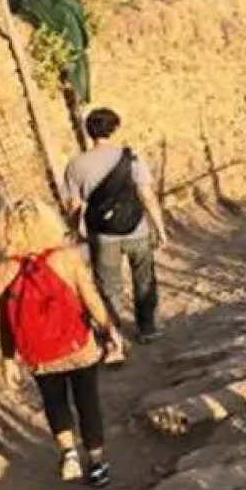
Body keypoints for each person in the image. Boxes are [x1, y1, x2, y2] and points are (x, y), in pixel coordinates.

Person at [0, 200, 123, 486]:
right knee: (87, 400)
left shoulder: (3, 270)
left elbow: (5, 320)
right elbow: (90, 299)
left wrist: (8, 359)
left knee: (54, 401)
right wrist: (109, 328)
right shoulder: (66, 258)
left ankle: (69, 454)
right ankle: (97, 463)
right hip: (78, 345)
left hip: (38, 353)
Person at [63, 107, 168, 343]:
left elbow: (74, 204)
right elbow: (146, 194)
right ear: (115, 129)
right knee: (144, 278)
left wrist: (75, 232)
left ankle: (114, 334)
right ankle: (147, 328)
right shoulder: (131, 158)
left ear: (89, 132)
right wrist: (159, 227)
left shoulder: (76, 165)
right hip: (136, 228)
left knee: (108, 286)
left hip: (102, 234)